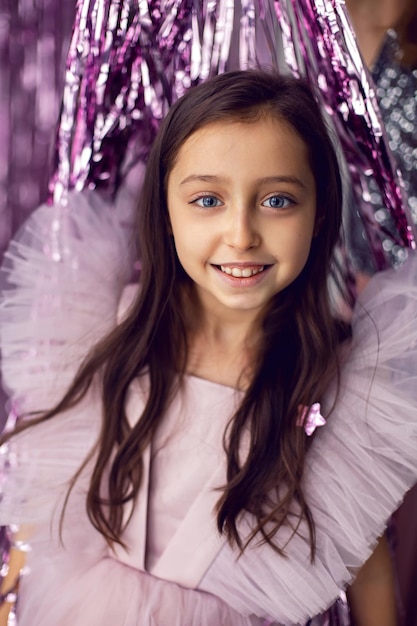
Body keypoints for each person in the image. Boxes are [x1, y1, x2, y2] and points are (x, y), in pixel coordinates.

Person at [0, 70, 417, 625]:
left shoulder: (341, 386)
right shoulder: (107, 325)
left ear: (319, 213)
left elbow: (359, 553)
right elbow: (57, 486)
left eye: (276, 200)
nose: (241, 233)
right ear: (166, 211)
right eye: (207, 199)